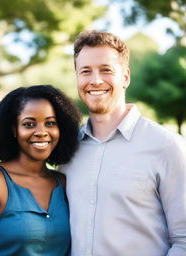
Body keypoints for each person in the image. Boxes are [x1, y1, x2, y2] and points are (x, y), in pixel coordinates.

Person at [60, 30, 186, 256]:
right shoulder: (67, 150)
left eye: (106, 70)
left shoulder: (167, 147)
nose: (95, 80)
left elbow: (184, 240)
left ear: (126, 77)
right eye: (85, 71)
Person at [0, 85, 81, 256]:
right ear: (14, 129)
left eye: (50, 123)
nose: (41, 132)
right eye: (29, 124)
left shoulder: (63, 182)